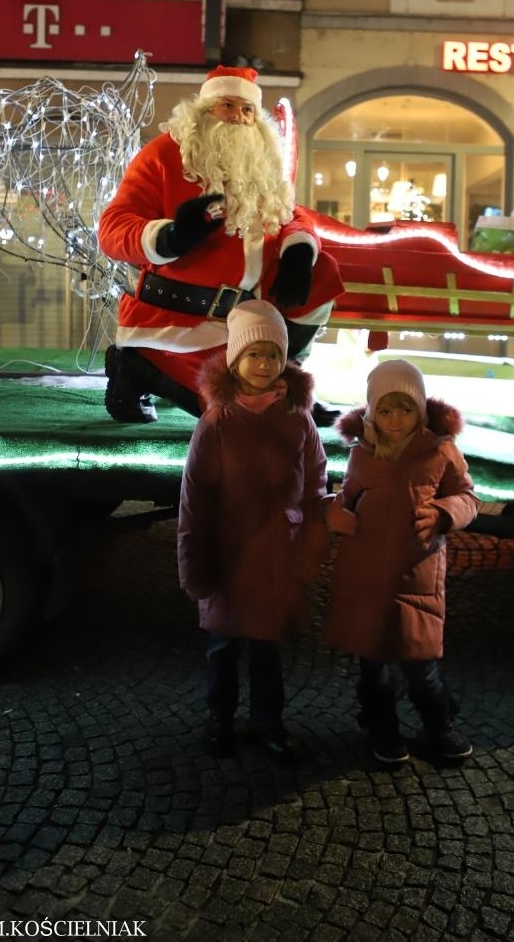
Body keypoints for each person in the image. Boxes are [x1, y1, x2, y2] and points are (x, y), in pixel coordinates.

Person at [98, 65, 343, 424]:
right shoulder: (163, 156)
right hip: (180, 320)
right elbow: (112, 227)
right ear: (203, 110)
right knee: (237, 415)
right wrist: (169, 237)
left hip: (247, 321)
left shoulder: (259, 163)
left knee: (321, 270)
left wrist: (298, 249)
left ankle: (284, 370)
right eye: (228, 106)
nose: (239, 118)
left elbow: (289, 214)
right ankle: (136, 364)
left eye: (247, 110)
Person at [177, 299, 332, 759]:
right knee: (222, 650)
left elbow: (316, 482)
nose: (264, 364)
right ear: (236, 360)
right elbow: (195, 499)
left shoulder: (297, 418)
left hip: (275, 557)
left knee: (267, 651)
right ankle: (219, 721)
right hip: (229, 556)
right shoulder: (217, 422)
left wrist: (308, 544)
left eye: (272, 354)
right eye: (254, 354)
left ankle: (269, 723)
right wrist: (194, 564)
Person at [324, 360, 479, 764]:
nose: (396, 419)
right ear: (373, 412)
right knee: (373, 666)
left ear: (421, 411)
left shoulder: (441, 451)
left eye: (405, 409)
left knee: (421, 668)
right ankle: (382, 727)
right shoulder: (363, 453)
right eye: (386, 410)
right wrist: (335, 514)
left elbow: (468, 497)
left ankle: (439, 725)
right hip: (365, 576)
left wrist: (445, 513)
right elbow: (347, 498)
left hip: (418, 576)